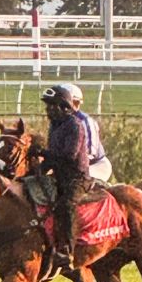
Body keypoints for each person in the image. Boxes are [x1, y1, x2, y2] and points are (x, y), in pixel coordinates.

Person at [39, 84, 90, 269]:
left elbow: (68, 156)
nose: (48, 110)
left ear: (64, 107)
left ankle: (68, 252)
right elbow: (54, 156)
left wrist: (43, 153)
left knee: (66, 205)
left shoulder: (75, 125)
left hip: (77, 179)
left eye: (52, 106)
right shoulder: (55, 126)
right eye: (47, 106)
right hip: (60, 177)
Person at [60, 83, 113, 183]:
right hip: (72, 166)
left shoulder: (85, 121)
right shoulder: (58, 122)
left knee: (72, 182)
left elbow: (90, 153)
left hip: (96, 165)